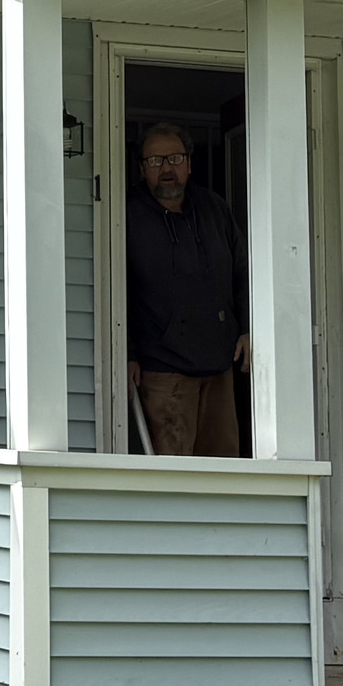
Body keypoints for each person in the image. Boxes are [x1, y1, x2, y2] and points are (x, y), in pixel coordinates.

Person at [125, 121, 250, 457]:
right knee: (172, 474)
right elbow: (116, 289)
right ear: (141, 169)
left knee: (222, 466)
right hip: (162, 370)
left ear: (190, 164)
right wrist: (127, 352)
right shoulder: (126, 215)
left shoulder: (215, 210)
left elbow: (243, 271)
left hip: (220, 366)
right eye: (155, 161)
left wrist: (250, 329)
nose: (167, 169)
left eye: (175, 159)